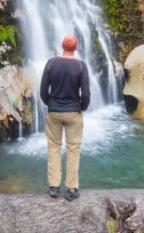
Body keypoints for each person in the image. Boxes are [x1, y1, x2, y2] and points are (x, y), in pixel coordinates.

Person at [40, 34, 90, 201]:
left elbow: (42, 91)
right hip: (73, 113)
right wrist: (81, 107)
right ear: (75, 48)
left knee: (53, 147)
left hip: (54, 112)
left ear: (62, 46)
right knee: (73, 149)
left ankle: (54, 187)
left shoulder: (51, 63)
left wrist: (51, 104)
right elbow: (86, 94)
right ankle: (71, 189)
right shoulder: (81, 66)